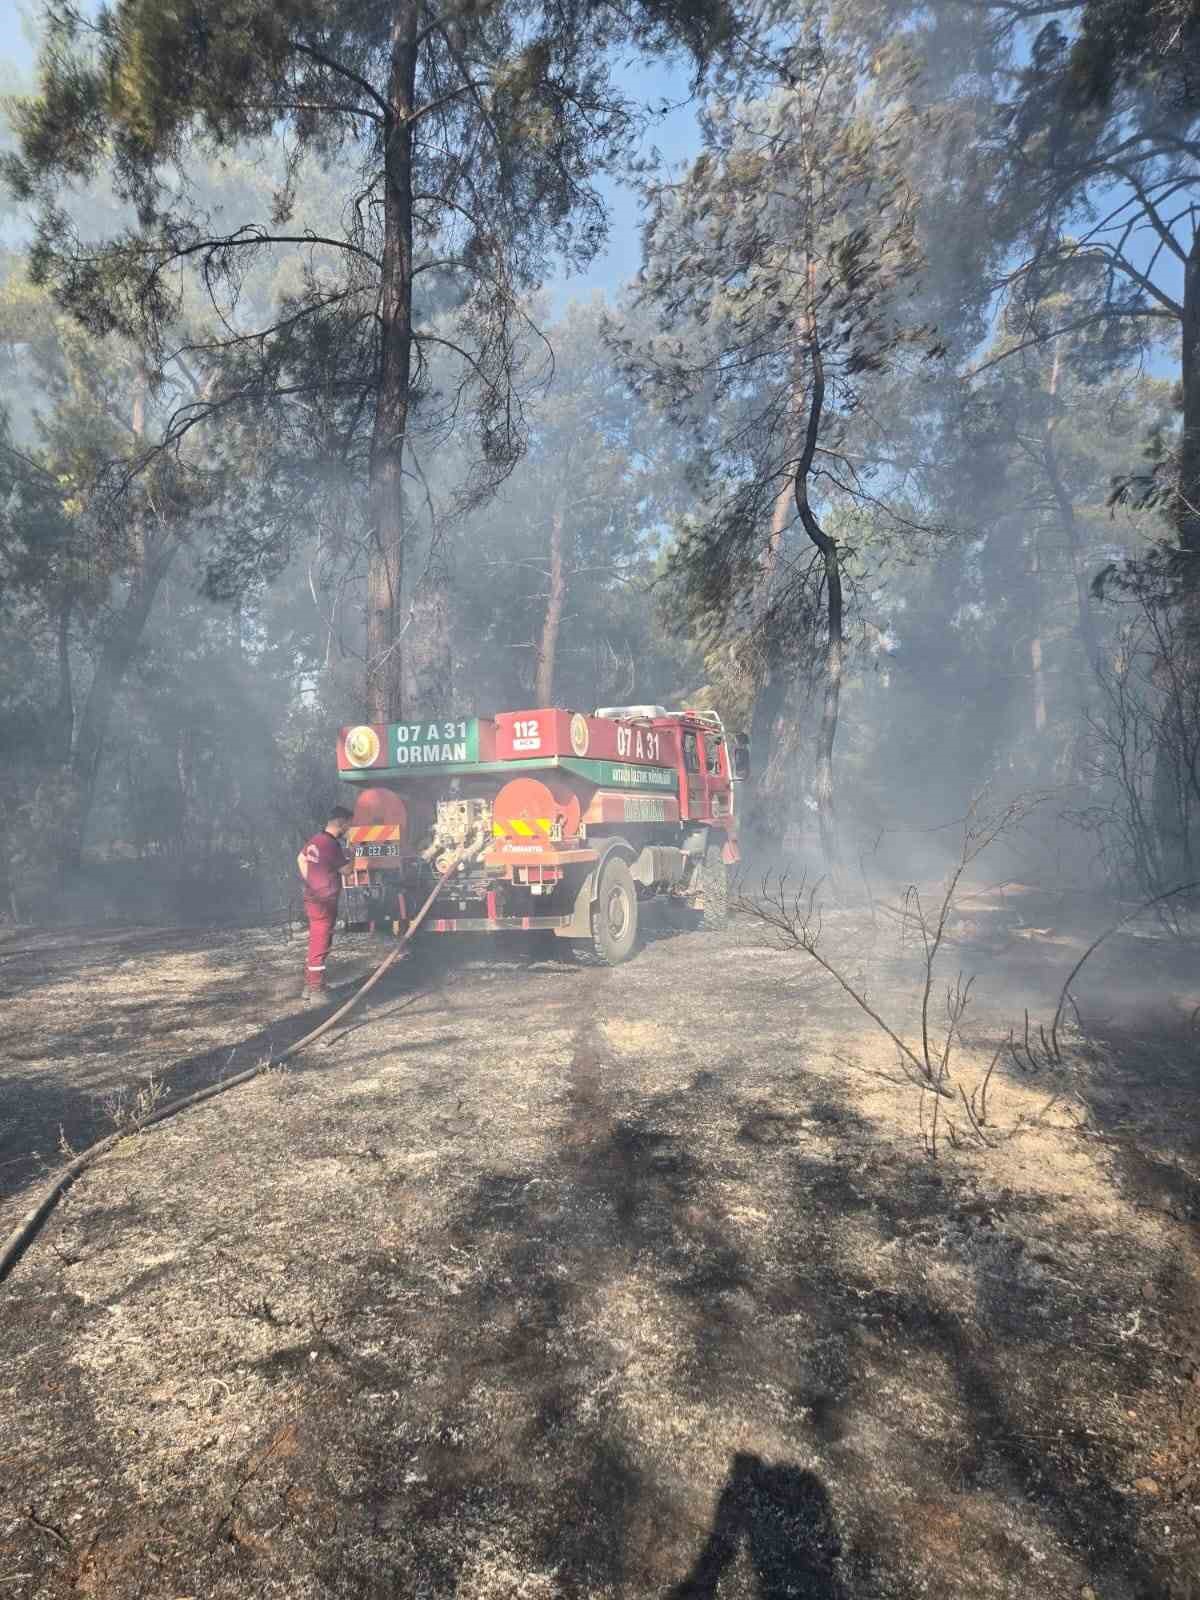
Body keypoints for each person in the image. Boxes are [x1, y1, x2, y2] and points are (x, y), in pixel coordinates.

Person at [297, 806, 353, 1003]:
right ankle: (316, 989)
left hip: (313, 897)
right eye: (348, 824)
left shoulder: (315, 840)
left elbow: (301, 858)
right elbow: (346, 871)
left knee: (317, 939)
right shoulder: (331, 845)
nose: (349, 827)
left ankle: (310, 985)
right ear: (341, 822)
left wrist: (310, 881)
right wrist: (353, 853)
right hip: (324, 901)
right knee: (321, 941)